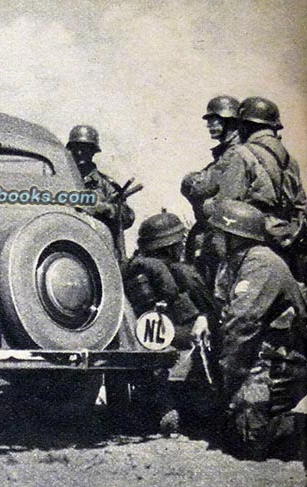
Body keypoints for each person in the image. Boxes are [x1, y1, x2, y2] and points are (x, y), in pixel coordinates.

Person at [208, 199, 306, 459]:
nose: (212, 239)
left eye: (217, 233)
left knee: (248, 439)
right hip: (263, 357)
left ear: (233, 236)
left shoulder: (260, 263)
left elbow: (241, 325)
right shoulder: (234, 262)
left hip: (284, 360)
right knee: (222, 425)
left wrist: (230, 381)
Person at [121, 210, 219, 432]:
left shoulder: (136, 269)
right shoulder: (178, 271)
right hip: (175, 337)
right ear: (171, 245)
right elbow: (207, 307)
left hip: (146, 339)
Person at [181, 95, 275, 287]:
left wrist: (190, 181)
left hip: (233, 232)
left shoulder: (234, 153)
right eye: (209, 120)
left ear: (231, 122)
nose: (210, 125)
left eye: (216, 120)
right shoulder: (228, 152)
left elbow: (201, 186)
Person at [236, 96, 307, 282]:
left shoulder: (242, 154)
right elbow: (301, 205)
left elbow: (229, 204)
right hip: (287, 239)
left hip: (253, 239)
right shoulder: (290, 160)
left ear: (245, 125)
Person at [66, 125, 135, 259]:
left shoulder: (105, 184)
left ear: (92, 152)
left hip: (102, 250)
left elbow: (128, 217)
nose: (79, 153)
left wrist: (108, 209)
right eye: (76, 148)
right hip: (71, 248)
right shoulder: (63, 182)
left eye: (84, 148)